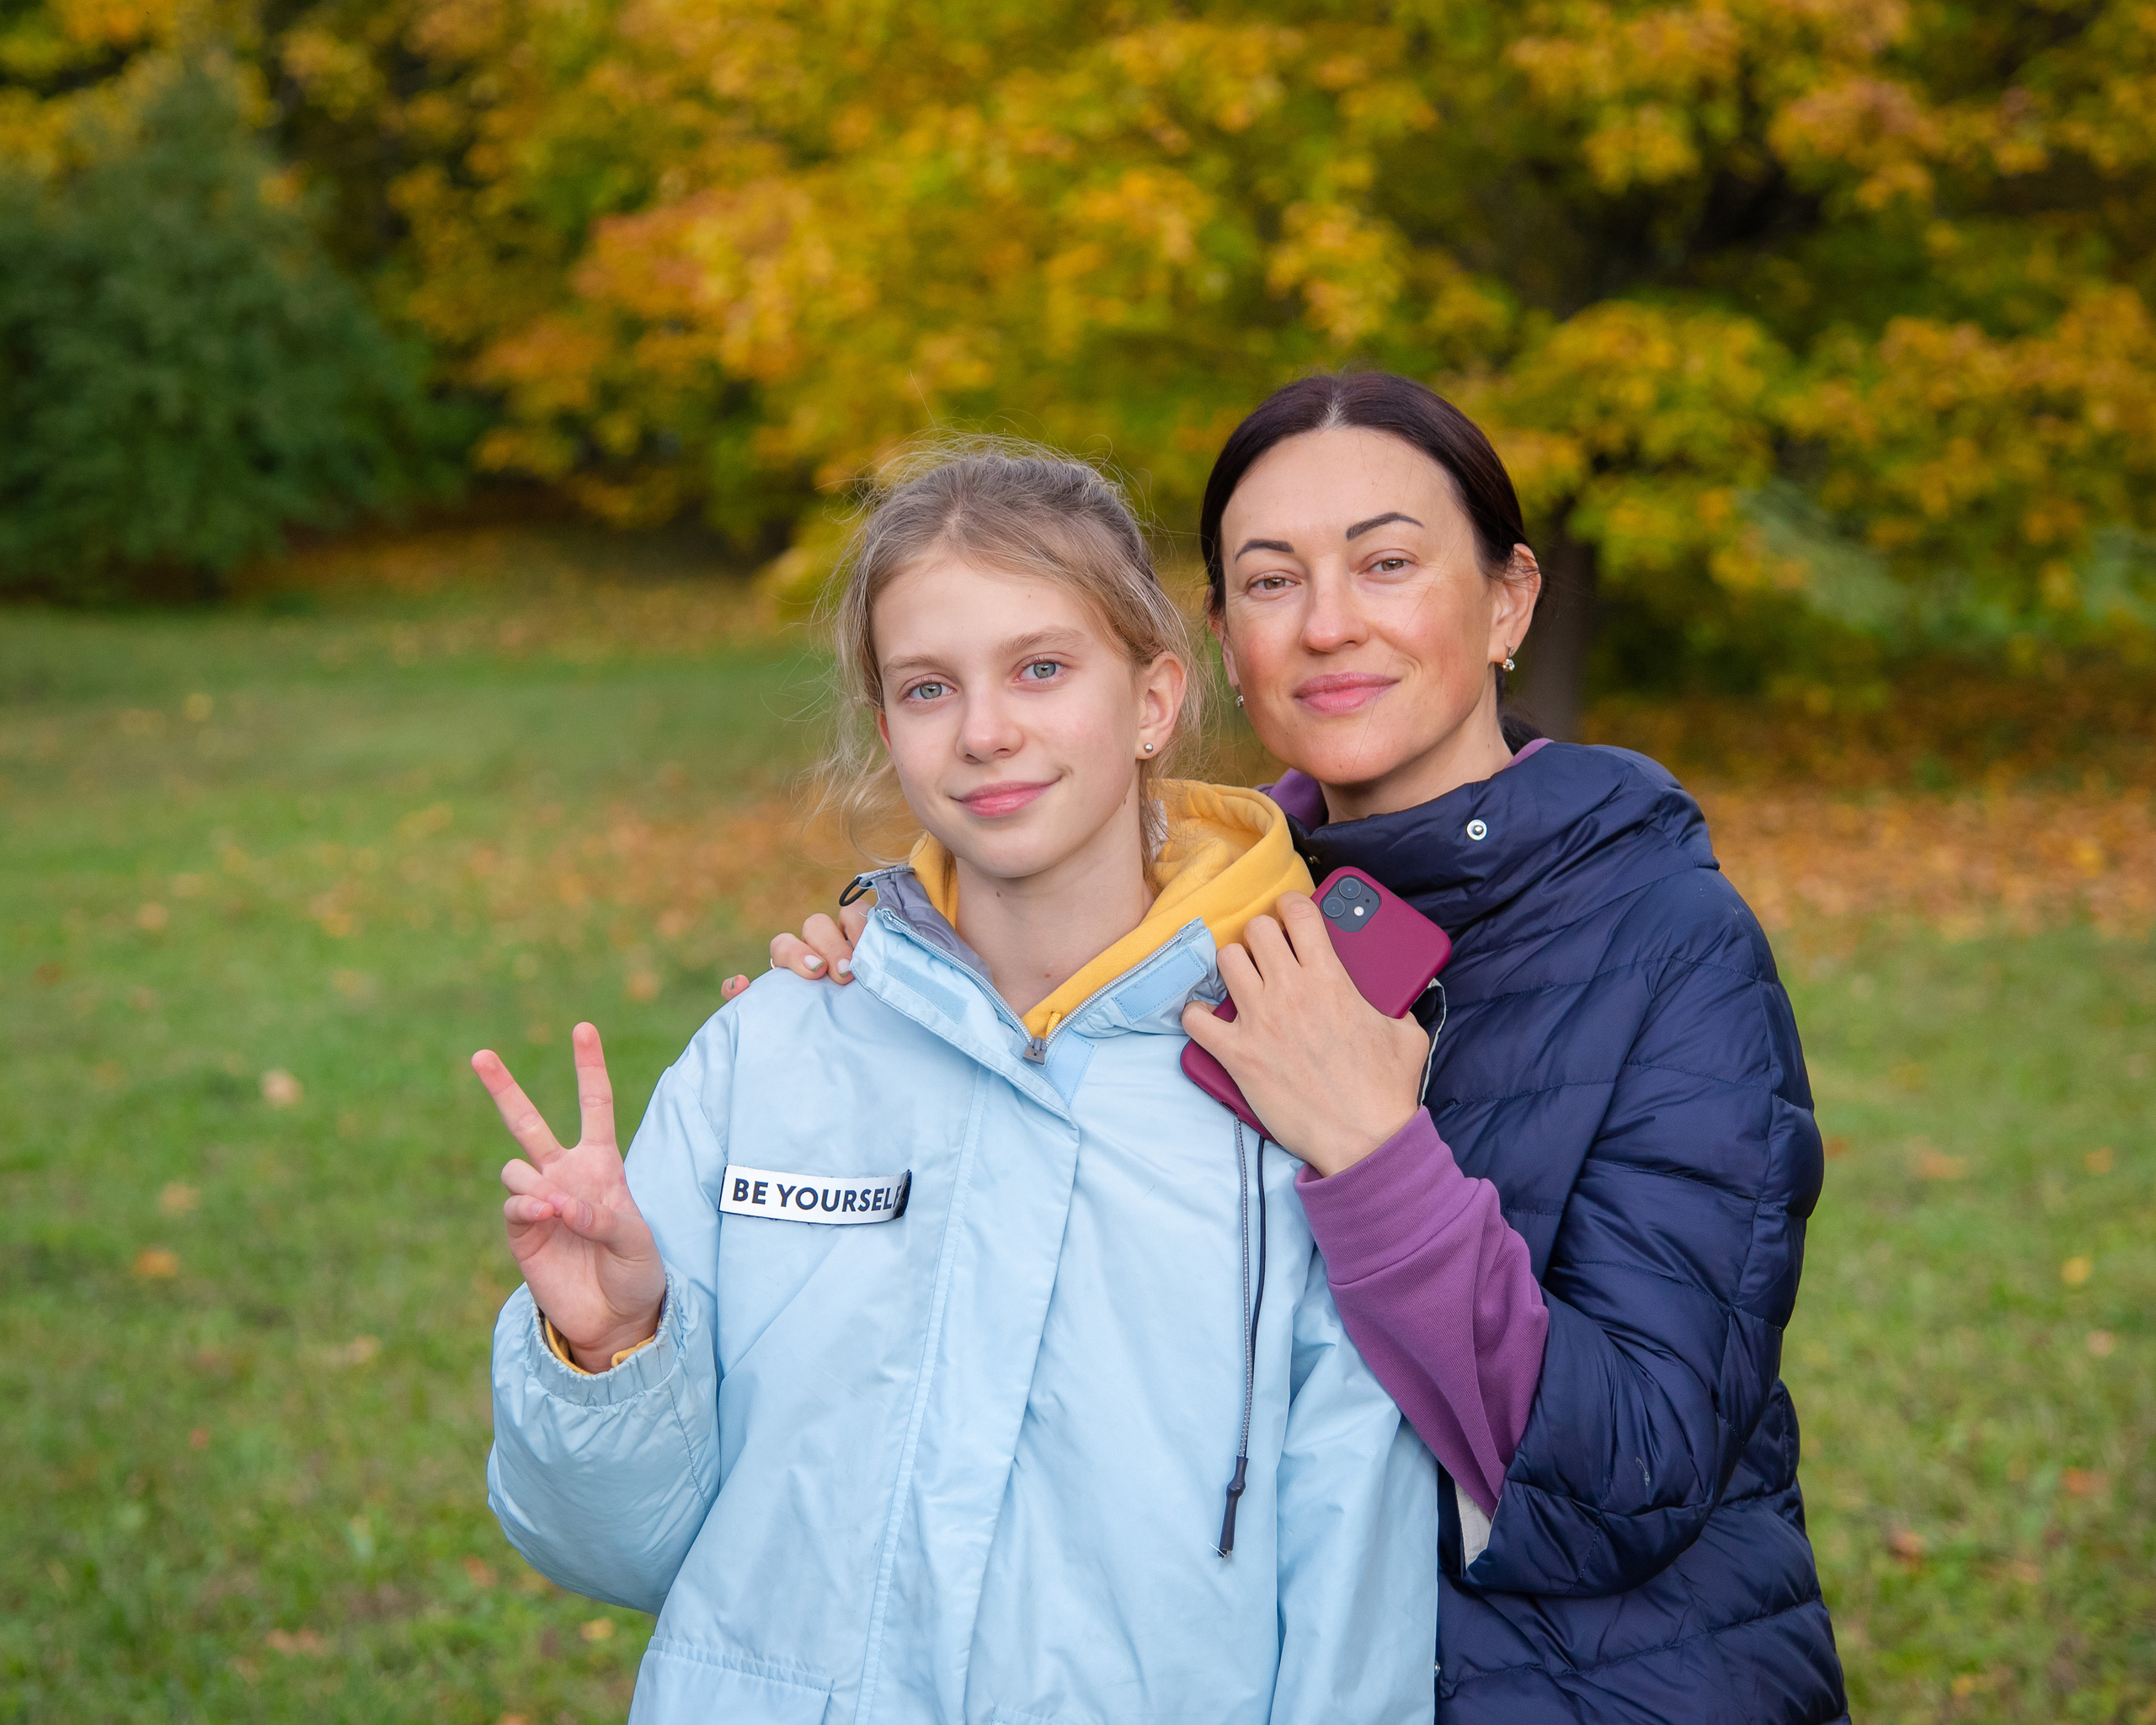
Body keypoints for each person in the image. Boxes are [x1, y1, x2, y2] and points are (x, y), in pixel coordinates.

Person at [755, 378, 1849, 1724]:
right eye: (1271, 582)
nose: (1329, 625)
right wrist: (901, 978)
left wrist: (1379, 1156)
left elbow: (1635, 1475)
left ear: (1508, 601)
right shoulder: (1193, 934)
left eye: (1387, 563)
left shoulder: (1670, 940)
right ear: (1218, 641)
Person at [475, 445, 1442, 1724]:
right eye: (929, 688)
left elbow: (1351, 1595)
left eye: (1041, 669)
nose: (986, 731)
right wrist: (608, 1351)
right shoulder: (767, 1056)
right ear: (888, 728)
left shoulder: (1297, 1077)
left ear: (1153, 699)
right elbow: (614, 1552)